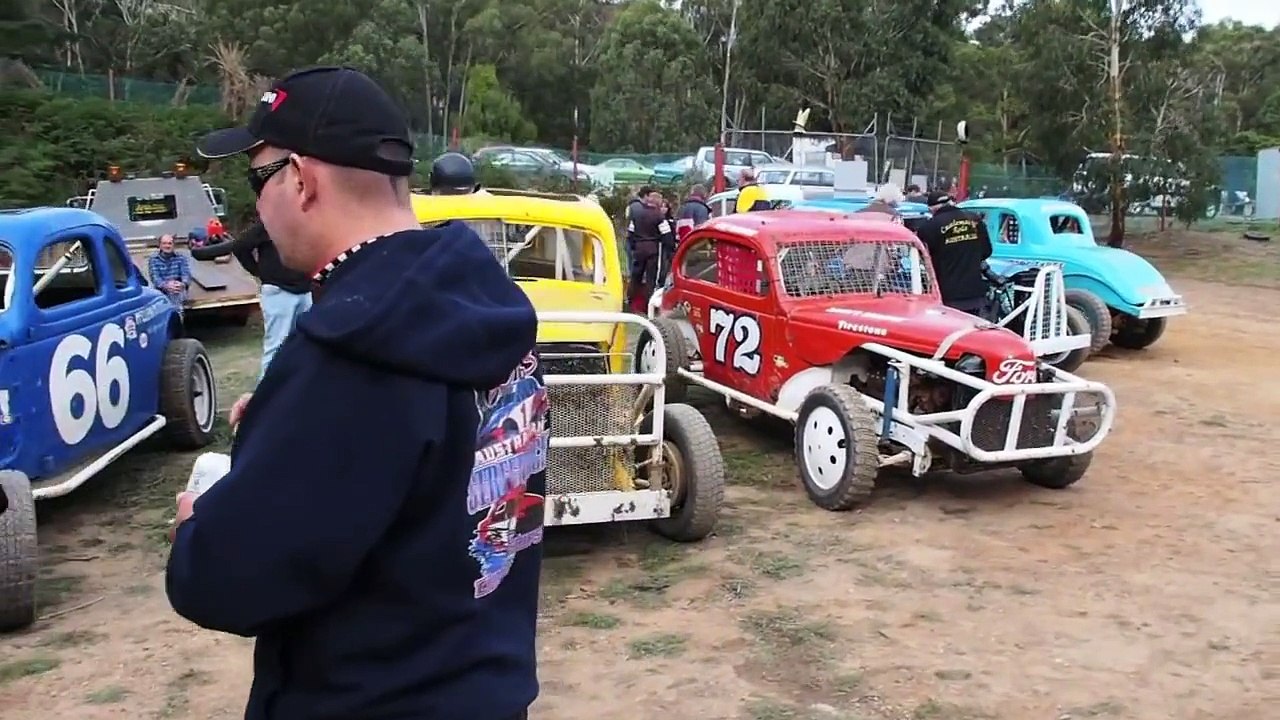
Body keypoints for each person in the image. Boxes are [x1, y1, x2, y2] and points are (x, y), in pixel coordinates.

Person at [169, 65, 545, 720]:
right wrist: (285, 430)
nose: (256, 205)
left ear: (302, 181)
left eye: (258, 179)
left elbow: (229, 583)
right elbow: (427, 476)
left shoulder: (351, 350)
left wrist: (194, 534)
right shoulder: (484, 308)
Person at [191, 220, 314, 380]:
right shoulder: (270, 224)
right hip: (279, 291)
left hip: (306, 291)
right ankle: (267, 394)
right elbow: (240, 246)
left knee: (307, 343)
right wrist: (258, 271)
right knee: (277, 344)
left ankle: (300, 385)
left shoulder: (309, 222)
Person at [913, 190, 993, 315]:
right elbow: (987, 251)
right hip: (974, 291)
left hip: (946, 293)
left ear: (931, 208)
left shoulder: (929, 227)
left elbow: (923, 259)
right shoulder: (974, 220)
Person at [626, 187, 674, 312]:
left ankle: (630, 301)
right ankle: (649, 305)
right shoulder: (659, 216)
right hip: (653, 249)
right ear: (658, 203)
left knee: (636, 276)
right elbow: (666, 235)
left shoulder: (636, 214)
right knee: (651, 278)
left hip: (638, 249)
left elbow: (630, 232)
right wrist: (670, 251)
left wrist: (633, 246)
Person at [147, 234, 191, 314]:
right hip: (161, 289)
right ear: (160, 246)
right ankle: (176, 316)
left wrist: (182, 284)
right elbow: (155, 278)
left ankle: (175, 317)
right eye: (164, 243)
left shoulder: (181, 258)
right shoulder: (153, 259)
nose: (167, 246)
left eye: (170, 243)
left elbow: (186, 275)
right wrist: (166, 285)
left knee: (175, 294)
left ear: (173, 245)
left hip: (178, 289)